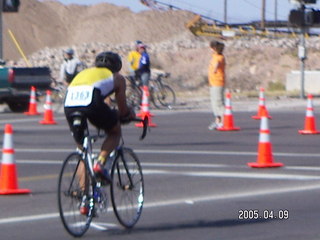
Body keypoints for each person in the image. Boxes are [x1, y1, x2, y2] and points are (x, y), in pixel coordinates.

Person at [64, 51, 135, 214]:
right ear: (116, 67)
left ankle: (85, 200)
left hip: (69, 105)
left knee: (82, 150)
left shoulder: (85, 73)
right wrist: (127, 115)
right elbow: (122, 108)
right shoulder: (117, 78)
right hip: (91, 103)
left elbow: (104, 99)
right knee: (115, 132)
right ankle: (100, 163)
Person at [208, 40, 226, 130]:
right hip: (213, 83)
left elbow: (217, 64)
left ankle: (224, 121)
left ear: (214, 48)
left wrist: (215, 68)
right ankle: (217, 121)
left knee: (219, 103)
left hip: (218, 82)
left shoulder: (219, 57)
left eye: (211, 48)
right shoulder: (214, 56)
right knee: (214, 103)